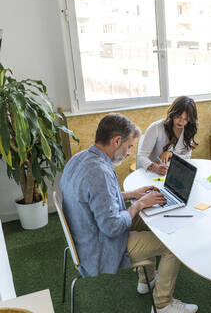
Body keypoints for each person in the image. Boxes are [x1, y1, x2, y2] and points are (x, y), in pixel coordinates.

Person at [60, 114, 198, 313]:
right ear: (116, 141)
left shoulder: (80, 158)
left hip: (86, 232)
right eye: (129, 146)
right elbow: (112, 226)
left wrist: (132, 194)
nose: (128, 153)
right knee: (172, 245)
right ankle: (163, 304)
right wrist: (139, 204)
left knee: (148, 218)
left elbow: (98, 198)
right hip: (100, 246)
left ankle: (146, 280)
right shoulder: (99, 173)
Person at [137, 96, 198, 175]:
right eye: (179, 116)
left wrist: (170, 154)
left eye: (186, 119)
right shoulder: (156, 128)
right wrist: (155, 167)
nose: (181, 121)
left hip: (172, 173)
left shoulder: (188, 130)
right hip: (151, 173)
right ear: (173, 112)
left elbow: (187, 157)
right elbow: (141, 156)